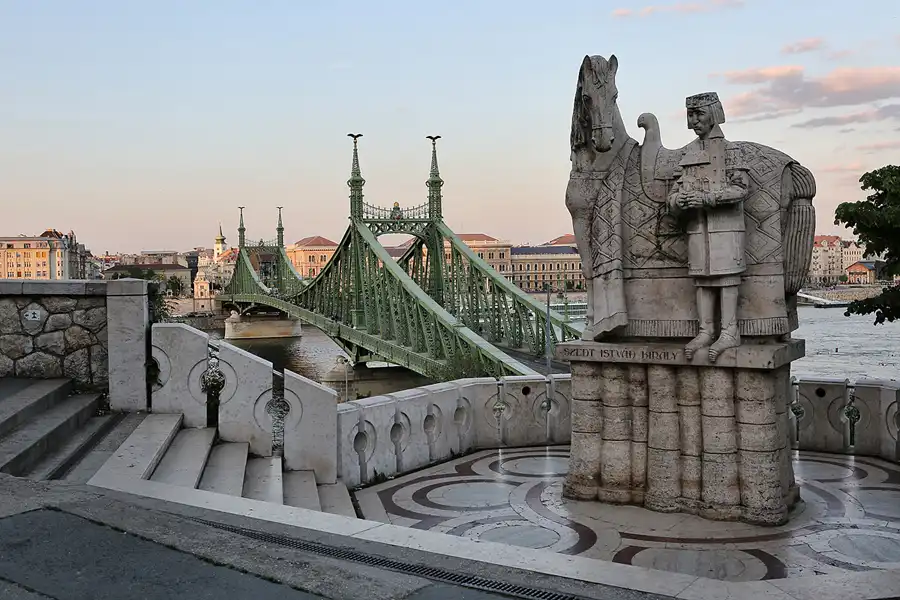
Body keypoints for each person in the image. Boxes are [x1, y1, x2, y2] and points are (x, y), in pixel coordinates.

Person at [667, 92, 751, 362]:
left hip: (725, 229)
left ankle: (729, 331)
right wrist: (679, 200)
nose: (693, 121)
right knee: (702, 279)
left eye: (699, 114)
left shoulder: (732, 151)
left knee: (726, 278)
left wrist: (708, 198)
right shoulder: (688, 153)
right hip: (697, 229)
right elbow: (673, 194)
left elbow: (741, 188)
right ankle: (706, 330)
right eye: (690, 115)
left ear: (714, 114)